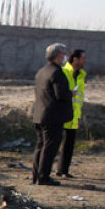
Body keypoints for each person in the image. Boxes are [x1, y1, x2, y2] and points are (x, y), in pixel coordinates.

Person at [31, 42, 73, 186]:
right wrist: (71, 93)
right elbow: (60, 95)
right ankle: (43, 177)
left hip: (39, 114)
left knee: (40, 146)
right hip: (52, 116)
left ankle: (35, 176)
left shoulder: (41, 71)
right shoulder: (56, 72)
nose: (64, 56)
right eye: (63, 54)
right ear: (58, 55)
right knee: (50, 147)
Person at [56, 49, 87, 178]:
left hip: (73, 115)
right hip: (61, 113)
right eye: (83, 58)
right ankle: (48, 171)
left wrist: (78, 117)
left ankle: (63, 170)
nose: (85, 61)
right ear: (75, 59)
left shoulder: (81, 75)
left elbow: (79, 98)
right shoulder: (63, 72)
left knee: (69, 144)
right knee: (55, 143)